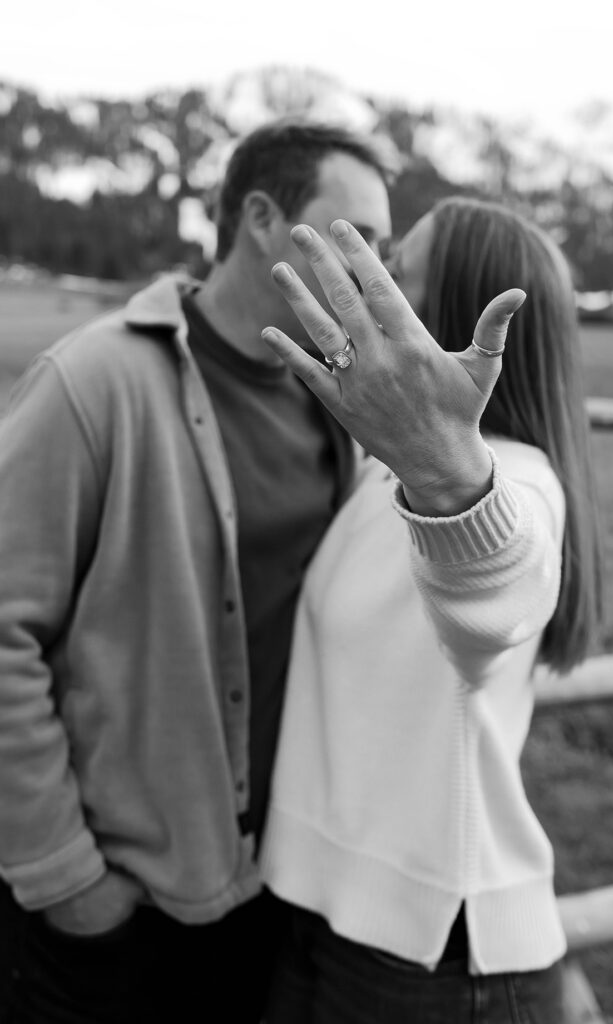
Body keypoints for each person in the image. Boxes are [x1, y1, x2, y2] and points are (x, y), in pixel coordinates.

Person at [0, 118, 398, 1024]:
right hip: (114, 909)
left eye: (387, 247)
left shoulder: (340, 403)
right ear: (260, 216)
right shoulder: (94, 381)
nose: (378, 268)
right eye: (359, 237)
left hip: (273, 893)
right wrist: (65, 876)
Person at [255, 198, 603, 1022]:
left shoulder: (511, 481)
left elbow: (495, 594)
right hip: (323, 923)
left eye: (395, 272)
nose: (367, 284)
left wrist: (449, 477)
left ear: (440, 316)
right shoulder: (385, 474)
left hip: (433, 962)